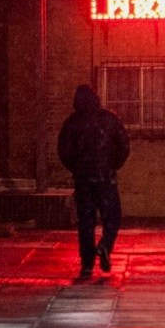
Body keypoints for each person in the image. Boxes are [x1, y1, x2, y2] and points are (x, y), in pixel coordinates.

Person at [57, 83, 130, 282]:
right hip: (106, 177)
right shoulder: (109, 119)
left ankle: (87, 265)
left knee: (86, 222)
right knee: (112, 216)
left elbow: (63, 151)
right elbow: (123, 144)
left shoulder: (72, 123)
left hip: (83, 179)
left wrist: (77, 168)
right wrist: (113, 164)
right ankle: (105, 245)